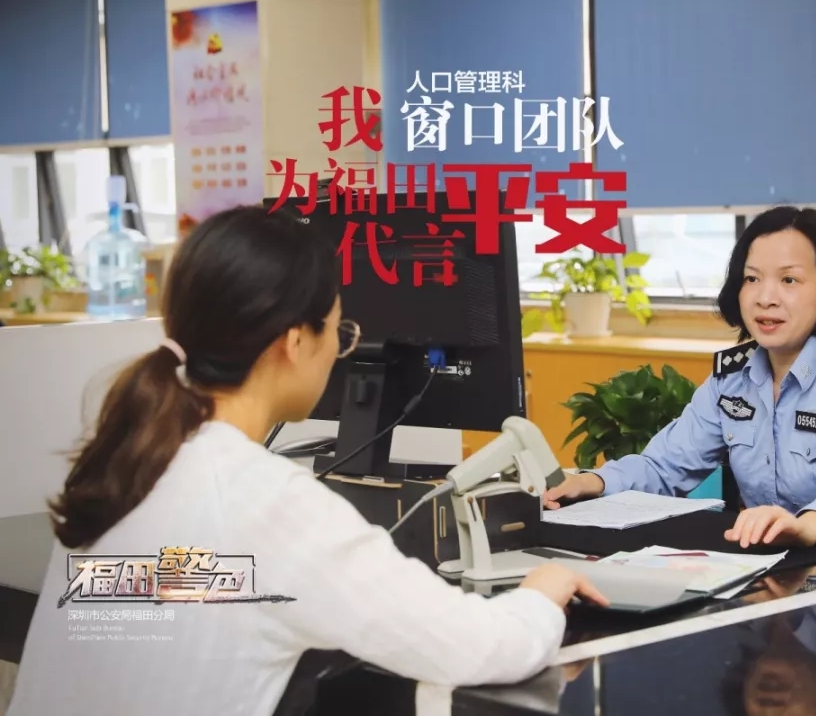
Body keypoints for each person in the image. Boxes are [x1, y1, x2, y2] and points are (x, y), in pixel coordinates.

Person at [9, 206, 607, 716]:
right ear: (295, 342)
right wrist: (540, 593)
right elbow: (477, 648)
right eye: (338, 331)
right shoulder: (266, 502)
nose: (339, 350)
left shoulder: (130, 460)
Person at [544, 206, 816, 548]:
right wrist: (591, 482)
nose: (765, 298)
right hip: (772, 566)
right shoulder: (733, 381)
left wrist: (811, 523)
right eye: (752, 278)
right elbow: (665, 465)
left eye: (789, 280)